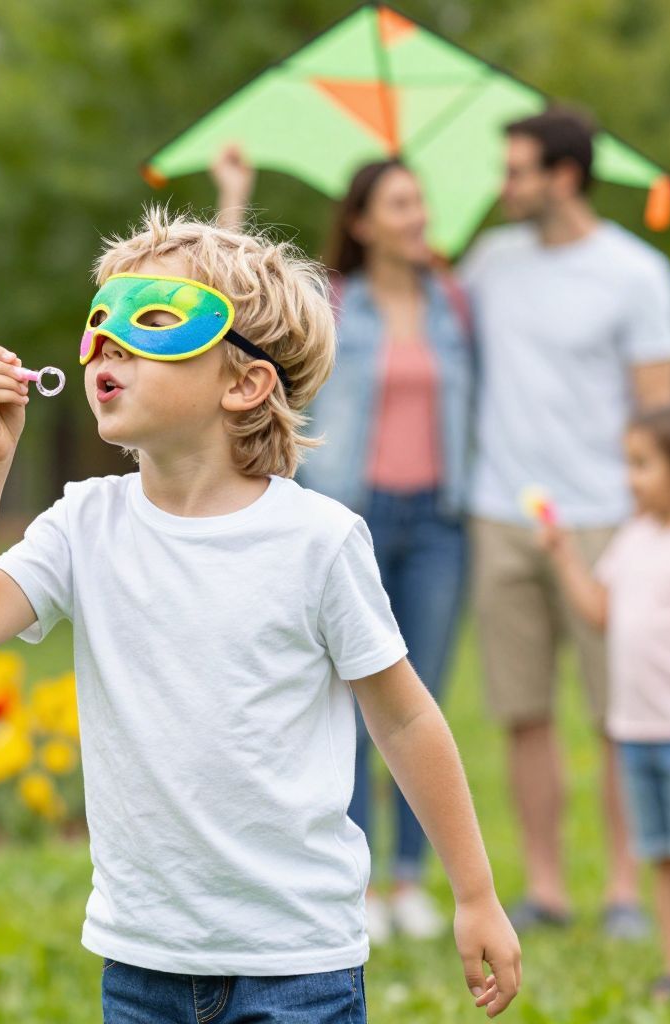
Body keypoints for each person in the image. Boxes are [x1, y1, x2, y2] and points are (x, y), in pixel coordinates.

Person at [0, 207, 521, 1021]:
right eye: (101, 326)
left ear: (244, 382)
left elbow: (407, 722)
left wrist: (475, 893)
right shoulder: (83, 523)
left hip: (296, 959)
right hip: (143, 959)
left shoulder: (317, 539)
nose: (107, 346)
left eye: (152, 324)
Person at [214, 146, 473, 943]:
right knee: (356, 705)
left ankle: (409, 879)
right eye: (398, 204)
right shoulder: (331, 301)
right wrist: (235, 198)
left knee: (418, 700)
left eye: (419, 201)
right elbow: (233, 313)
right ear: (361, 222)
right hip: (350, 516)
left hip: (438, 520)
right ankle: (358, 883)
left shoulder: (454, 304)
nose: (416, 216)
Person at [460, 108, 670, 936]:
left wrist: (649, 528)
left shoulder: (637, 273)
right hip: (501, 513)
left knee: (616, 711)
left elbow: (661, 415)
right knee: (523, 710)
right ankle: (548, 889)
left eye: (518, 169)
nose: (504, 184)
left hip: (605, 522)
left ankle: (626, 891)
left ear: (563, 175)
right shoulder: (490, 262)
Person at [544, 397, 670, 1000]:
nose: (630, 477)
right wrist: (566, 556)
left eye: (642, 463)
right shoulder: (634, 539)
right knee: (663, 856)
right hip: (637, 730)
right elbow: (600, 613)